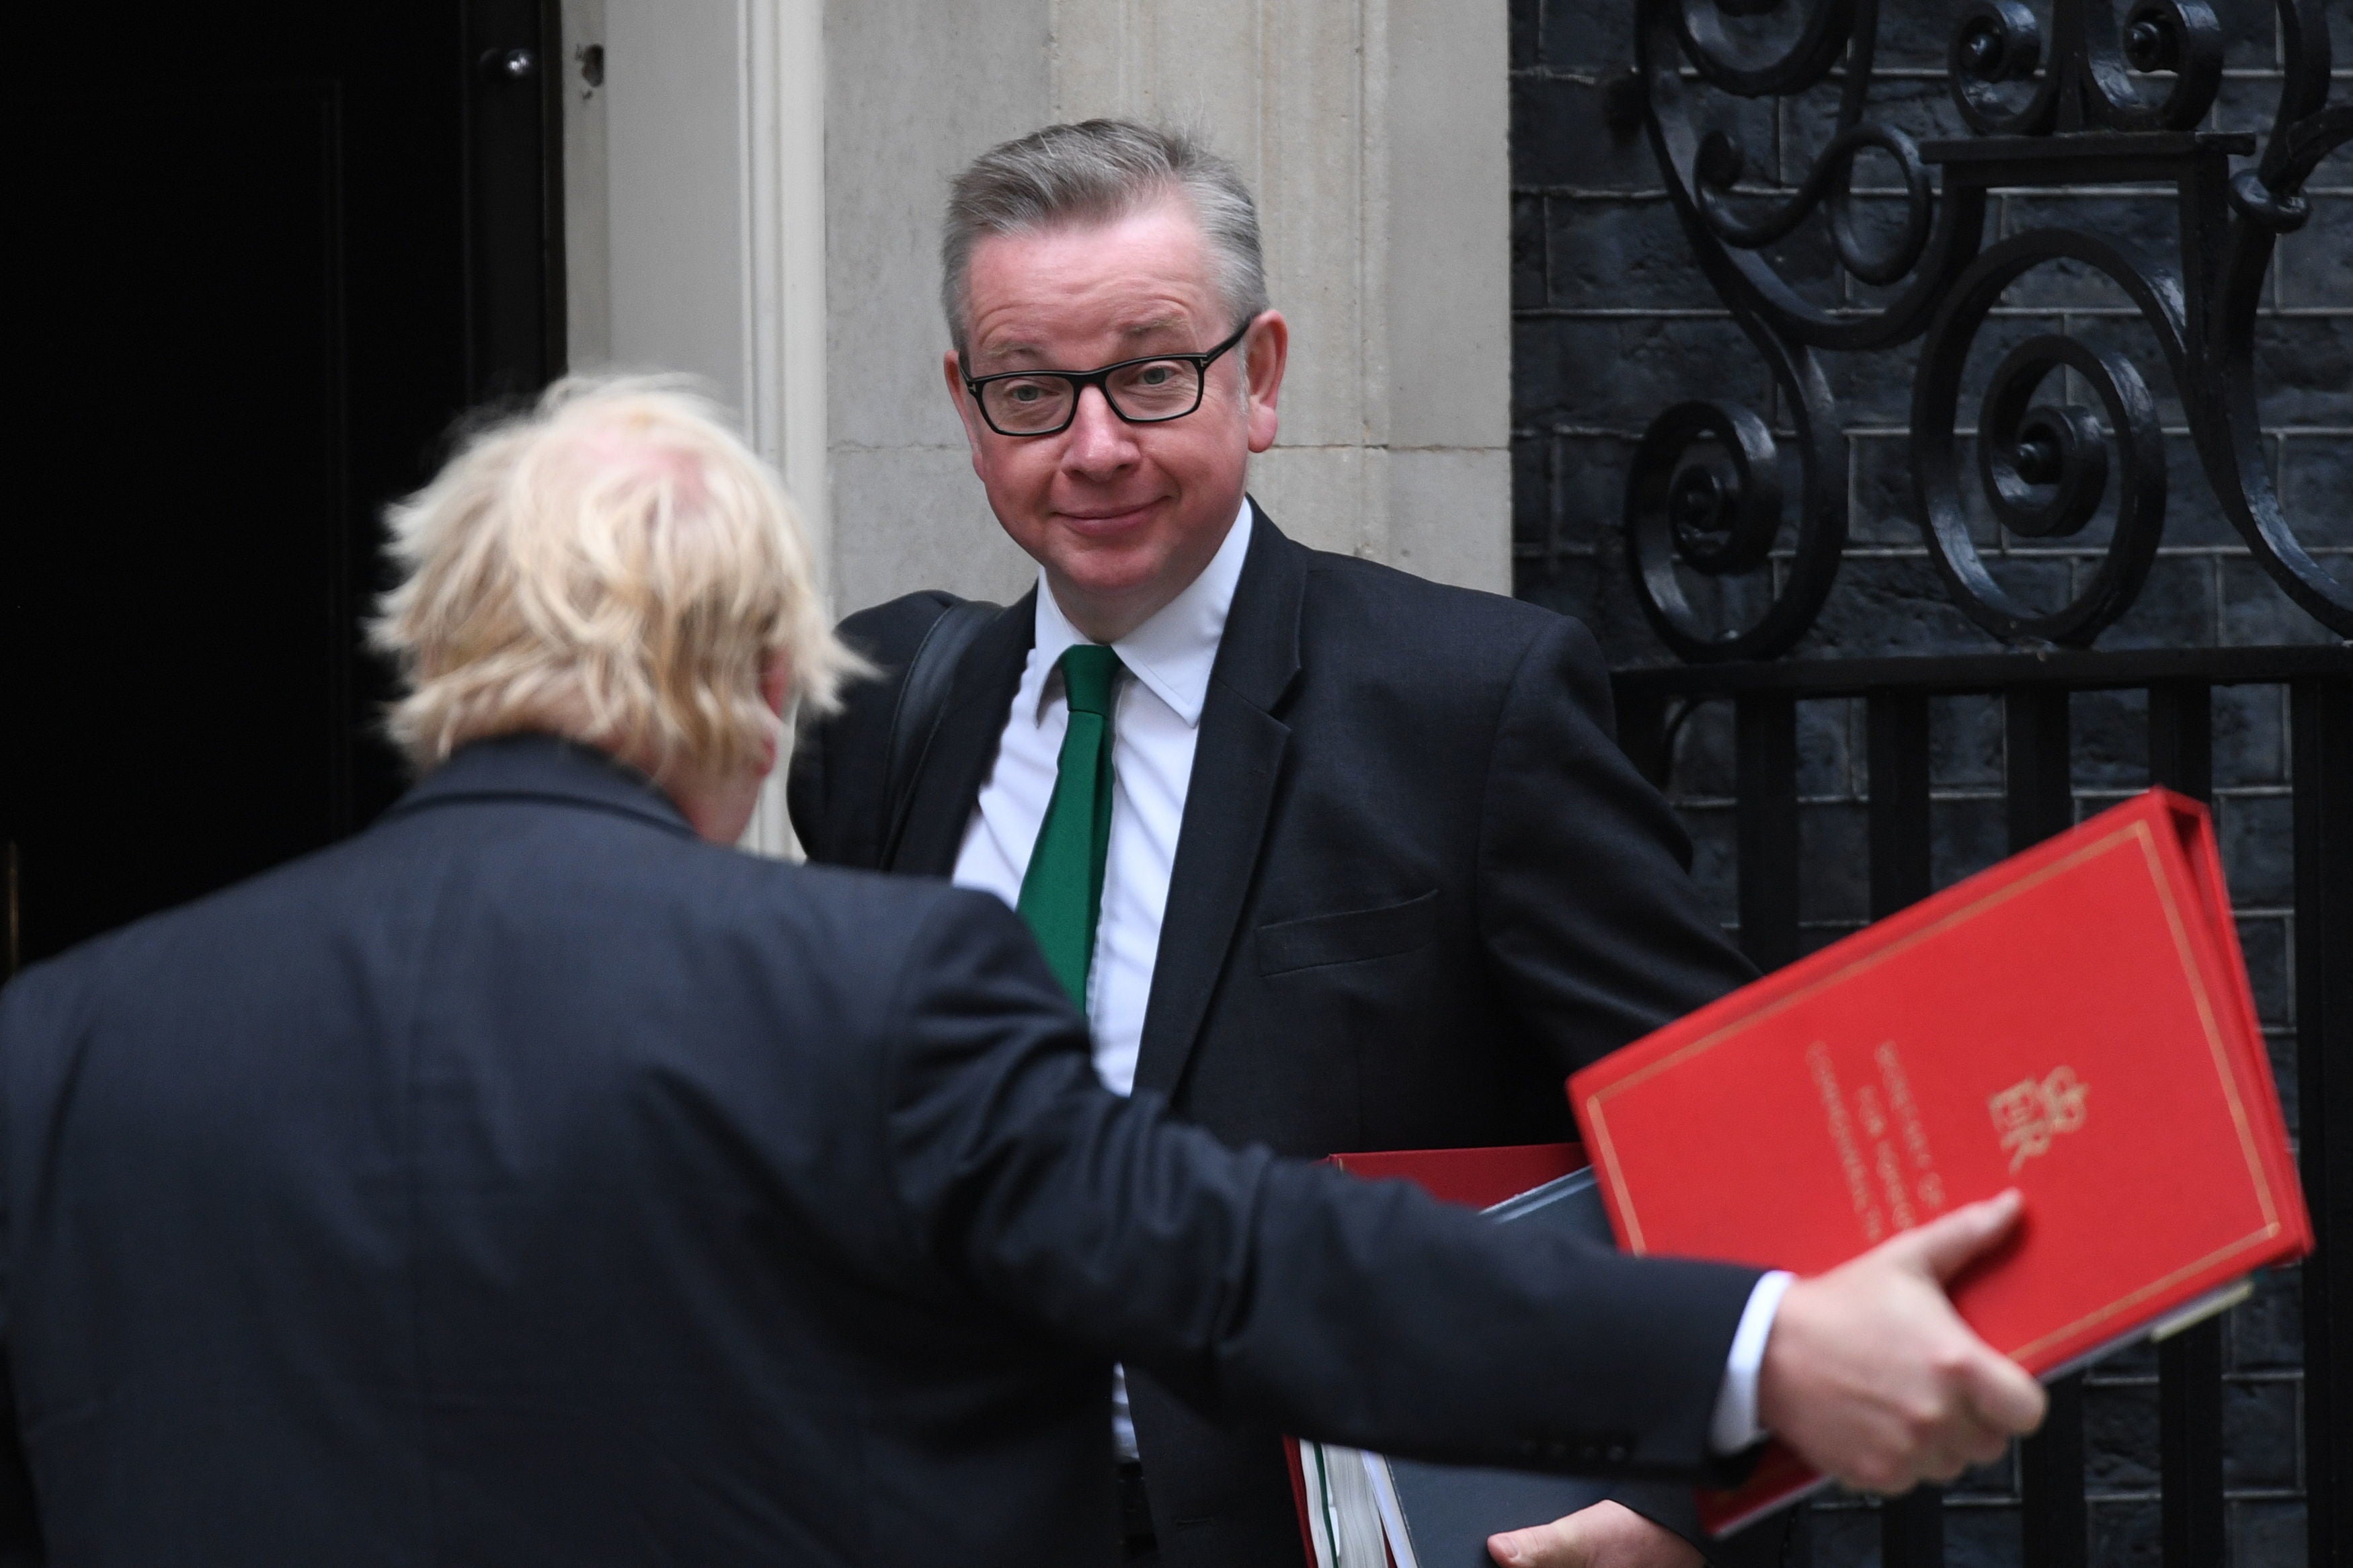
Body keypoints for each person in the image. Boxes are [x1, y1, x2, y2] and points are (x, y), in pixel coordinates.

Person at [0, 379, 2041, 1566]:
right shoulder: (885, 984)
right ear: (780, 684)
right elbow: (1247, 1265)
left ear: (434, 652)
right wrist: (1760, 1354)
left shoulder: (66, 1042)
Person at [782, 120, 1872, 1568]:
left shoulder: (1465, 705)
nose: (1093, 448)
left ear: (1262, 376)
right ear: (968, 409)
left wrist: (1676, 1501)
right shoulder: (881, 713)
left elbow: (1740, 1127)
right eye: (1033, 392)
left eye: (1152, 376)